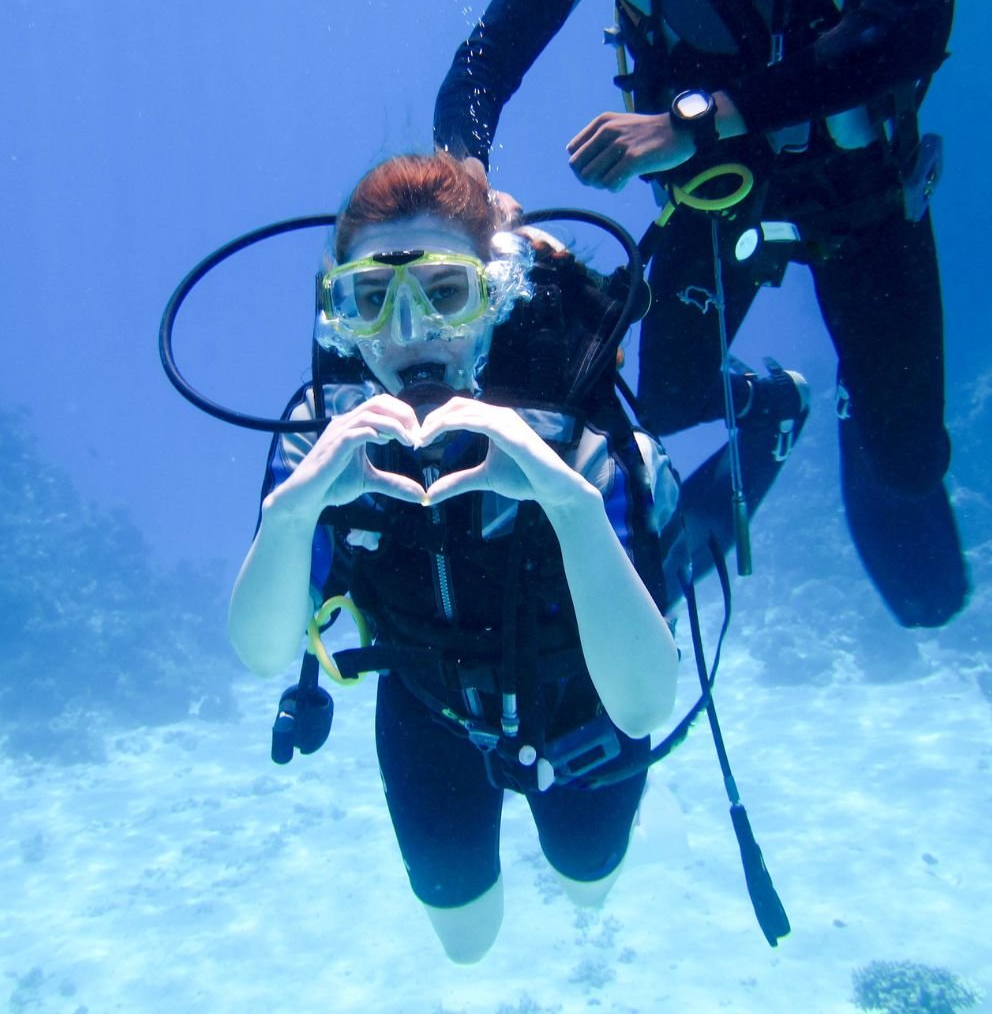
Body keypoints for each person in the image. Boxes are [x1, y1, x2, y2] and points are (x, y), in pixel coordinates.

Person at [433, 0, 969, 628]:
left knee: (907, 467)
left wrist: (700, 119)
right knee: (668, 398)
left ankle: (861, 405)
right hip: (716, 192)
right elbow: (484, 60)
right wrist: (464, 180)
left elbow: (911, 26)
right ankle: (772, 403)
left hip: (858, 193)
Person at [228, 153, 683, 963]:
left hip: (584, 708)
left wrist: (570, 504)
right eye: (373, 299)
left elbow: (644, 708)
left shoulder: (571, 430)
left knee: (588, 885)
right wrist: (293, 511)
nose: (409, 335)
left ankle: (756, 430)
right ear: (341, 315)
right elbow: (265, 654)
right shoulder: (317, 438)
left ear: (495, 295)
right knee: (466, 944)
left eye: (444, 294)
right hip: (426, 707)